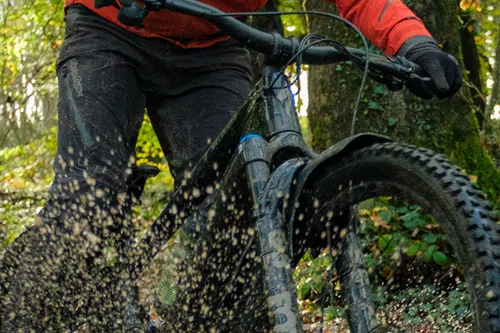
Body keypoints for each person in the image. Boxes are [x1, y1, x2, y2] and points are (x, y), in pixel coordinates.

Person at [0, 0, 462, 332]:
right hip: (109, 28)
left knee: (230, 220)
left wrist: (414, 43)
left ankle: (190, 316)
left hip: (214, 49)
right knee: (85, 206)